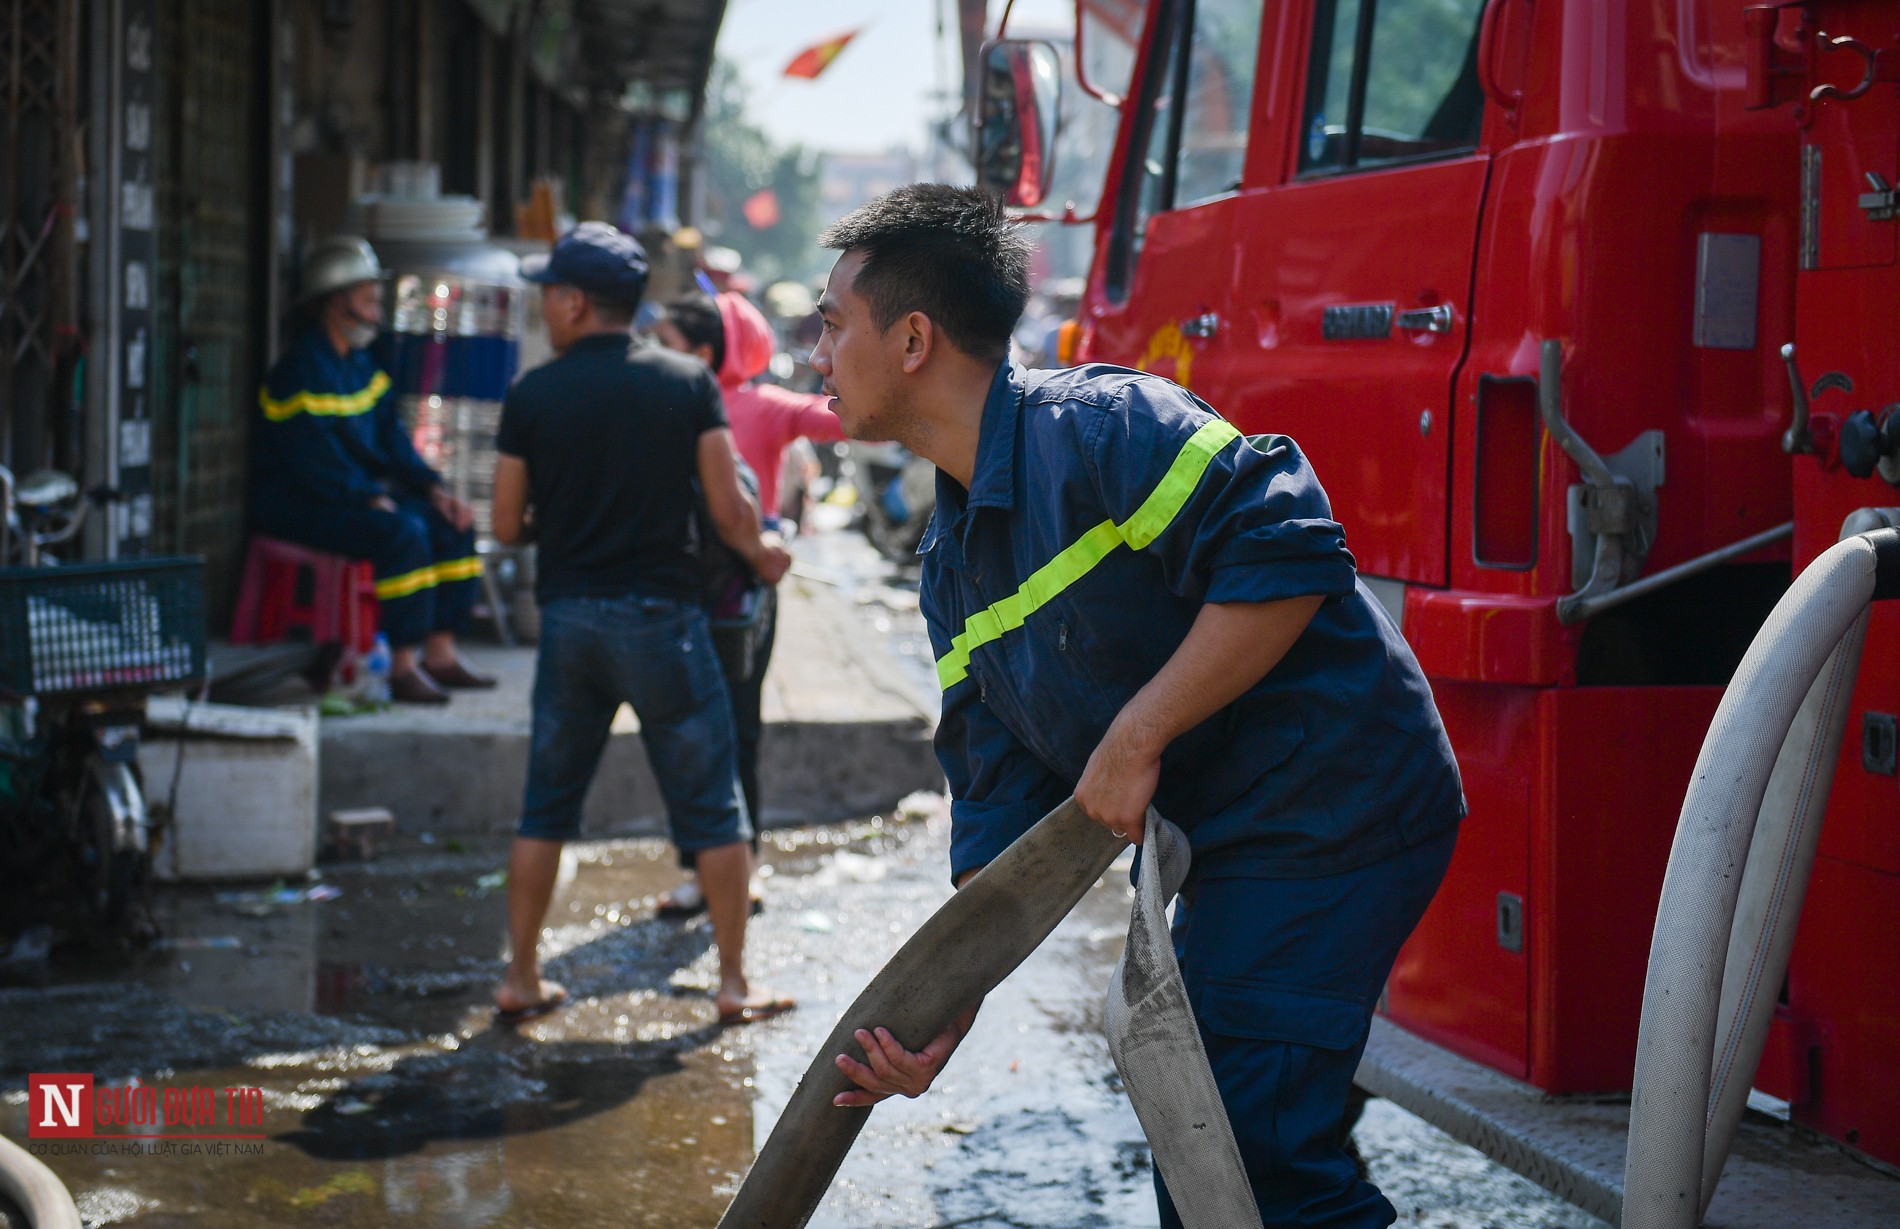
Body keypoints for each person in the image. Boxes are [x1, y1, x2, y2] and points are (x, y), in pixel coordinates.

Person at [814, 185, 1465, 1228]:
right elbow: (999, 813)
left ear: (912, 340)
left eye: (830, 323)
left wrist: (1136, 730)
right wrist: (949, 1004)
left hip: (1339, 801)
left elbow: (1294, 558)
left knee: (1243, 1160)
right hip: (1242, 838)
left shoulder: (1108, 430)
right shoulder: (950, 569)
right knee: (1207, 1146)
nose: (813, 353)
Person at [489, 222, 795, 1026]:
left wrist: (554, 521)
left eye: (548, 293)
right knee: (713, 806)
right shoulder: (685, 382)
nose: (544, 307)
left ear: (574, 301)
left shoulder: (532, 393)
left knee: (545, 806)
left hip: (569, 621)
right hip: (665, 618)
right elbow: (729, 509)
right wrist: (762, 555)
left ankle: (520, 976)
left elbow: (504, 523)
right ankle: (732, 984)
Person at [651, 290, 847, 918]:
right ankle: (739, 869)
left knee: (695, 732)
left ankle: (706, 873)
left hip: (712, 582)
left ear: (707, 350)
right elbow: (840, 418)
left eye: (670, 343)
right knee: (739, 729)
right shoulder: (756, 404)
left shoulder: (677, 403)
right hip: (745, 587)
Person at [252, 235, 494, 704]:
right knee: (401, 534)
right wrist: (366, 495)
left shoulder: (364, 366)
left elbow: (393, 441)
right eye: (368, 301)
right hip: (300, 504)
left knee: (452, 525)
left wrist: (433, 489)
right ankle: (402, 665)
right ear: (336, 303)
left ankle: (439, 653)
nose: (377, 312)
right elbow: (313, 463)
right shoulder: (300, 370)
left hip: (354, 496)